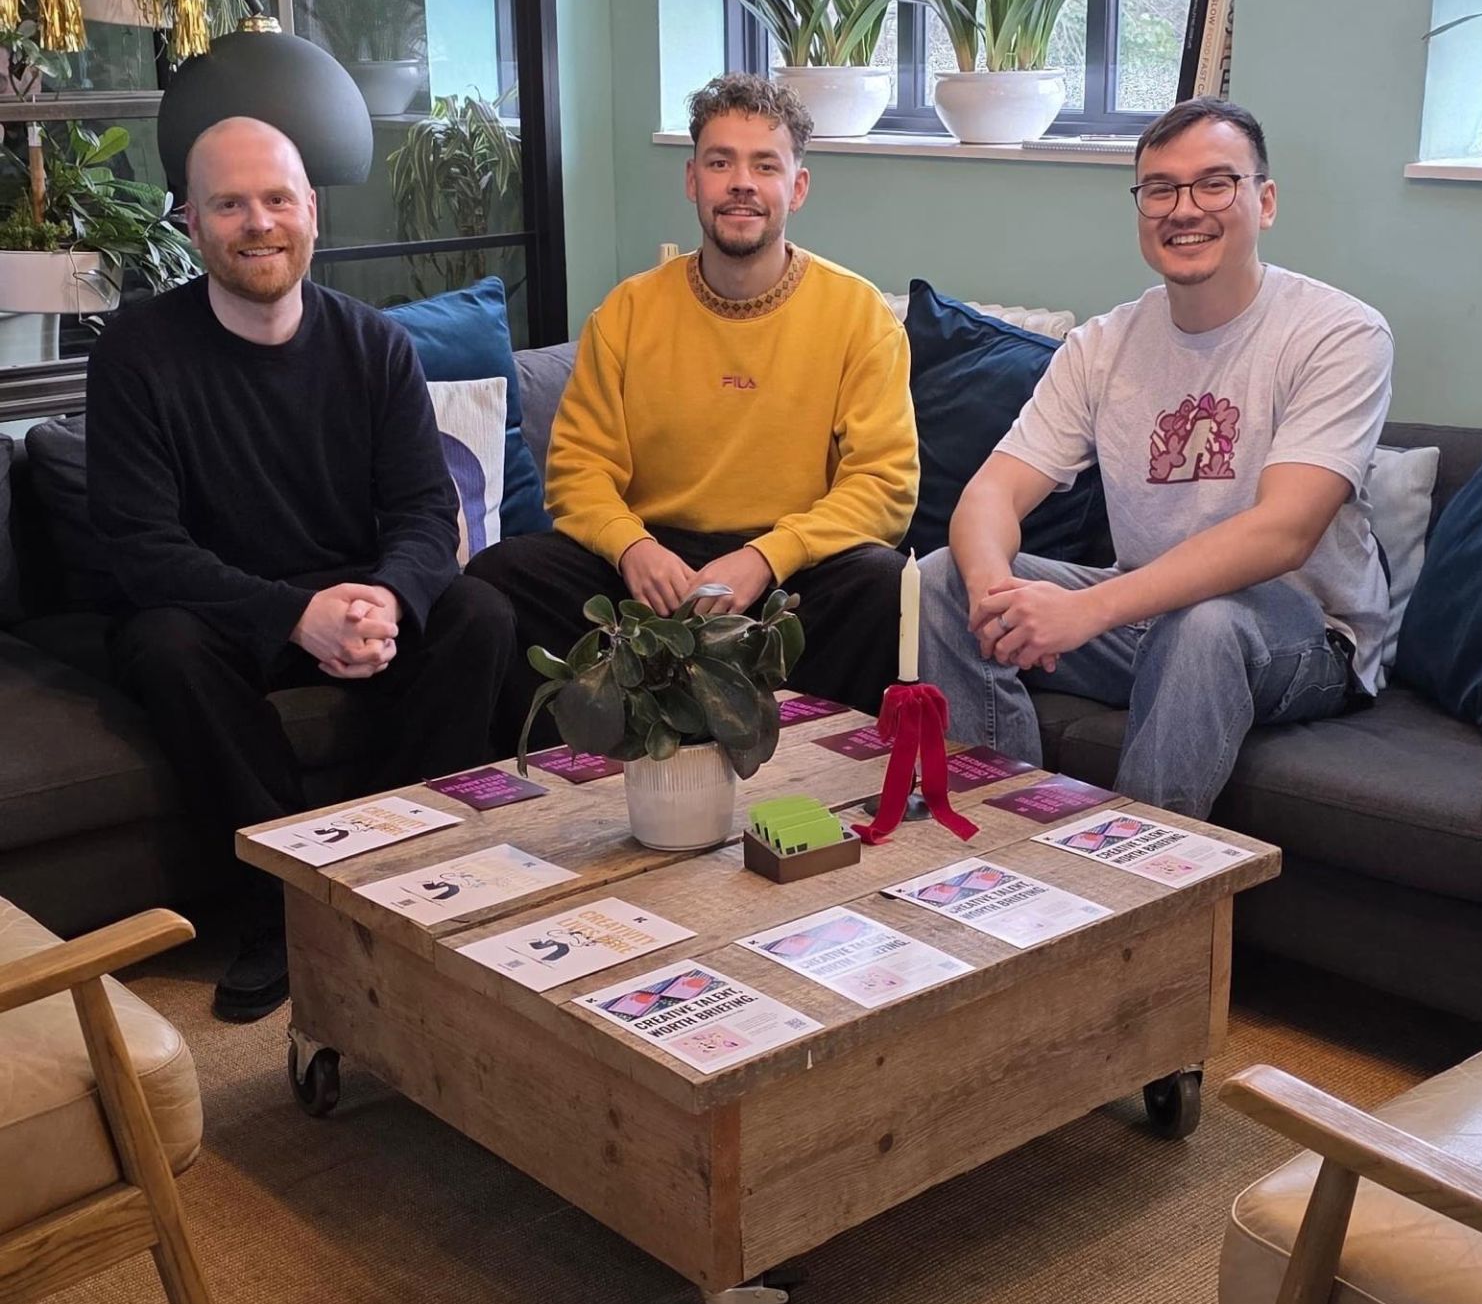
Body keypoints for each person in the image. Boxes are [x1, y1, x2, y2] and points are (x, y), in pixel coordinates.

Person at [86, 117, 519, 1021]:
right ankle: (278, 909)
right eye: (230, 204)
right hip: (217, 612)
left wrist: (390, 599)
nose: (259, 222)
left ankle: (410, 870)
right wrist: (293, 615)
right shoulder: (137, 353)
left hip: (352, 592)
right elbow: (139, 545)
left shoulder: (375, 345)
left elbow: (422, 512)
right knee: (161, 645)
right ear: (192, 223)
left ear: (312, 211)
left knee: (479, 614)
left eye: (278, 198)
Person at [919, 97, 1393, 820]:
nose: (1184, 209)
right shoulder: (1104, 345)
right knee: (943, 576)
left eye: (1214, 183)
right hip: (1145, 614)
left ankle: (1129, 891)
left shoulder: (1339, 334)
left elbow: (1284, 532)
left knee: (1202, 622)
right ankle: (994, 835)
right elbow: (990, 496)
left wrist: (1084, 612)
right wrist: (996, 598)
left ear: (1263, 202)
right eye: (1160, 189)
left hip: (1304, 635)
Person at [467, 73, 917, 728]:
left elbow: (884, 486)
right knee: (499, 575)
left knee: (882, 585)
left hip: (789, 571)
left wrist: (766, 558)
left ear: (797, 187)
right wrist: (630, 548)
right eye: (720, 162)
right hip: (650, 568)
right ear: (691, 181)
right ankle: (557, 788)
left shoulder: (859, 315)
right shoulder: (627, 312)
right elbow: (576, 472)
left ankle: (805, 775)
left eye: (765, 165)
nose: (741, 183)